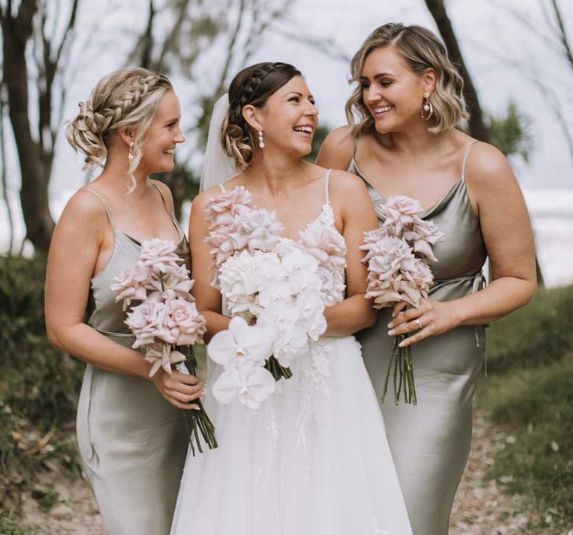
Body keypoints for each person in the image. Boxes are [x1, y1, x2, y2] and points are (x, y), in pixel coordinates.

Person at [170, 62, 413, 534]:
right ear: (254, 117)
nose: (310, 111)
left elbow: (364, 305)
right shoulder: (211, 206)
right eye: (294, 100)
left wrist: (297, 321)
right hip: (246, 387)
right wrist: (257, 333)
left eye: (311, 101)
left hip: (331, 382)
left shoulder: (343, 190)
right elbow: (203, 313)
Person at [317, 23, 537, 535]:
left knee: (409, 515)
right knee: (344, 513)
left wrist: (450, 312)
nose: (370, 96)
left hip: (440, 368)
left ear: (428, 80)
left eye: (384, 82)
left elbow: (520, 278)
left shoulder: (481, 166)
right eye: (363, 83)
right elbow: (317, 250)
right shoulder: (342, 150)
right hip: (347, 360)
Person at [45, 67, 203, 535]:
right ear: (131, 132)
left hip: (181, 405)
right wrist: (153, 371)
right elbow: (62, 328)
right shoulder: (87, 210)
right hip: (123, 418)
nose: (181, 137)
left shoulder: (162, 195)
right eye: (170, 126)